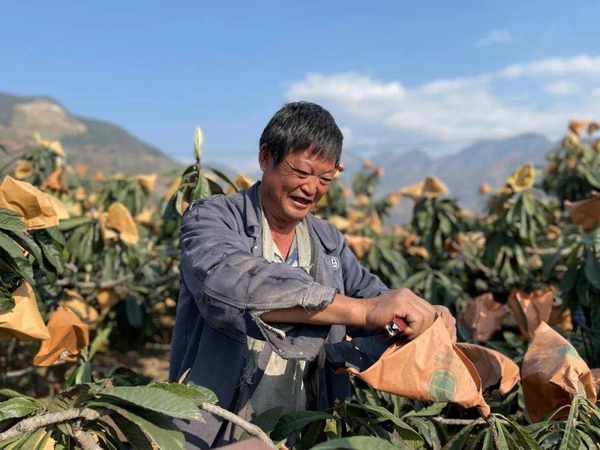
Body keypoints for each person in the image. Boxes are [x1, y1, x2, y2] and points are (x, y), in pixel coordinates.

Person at [169, 102, 455, 449]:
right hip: (215, 426)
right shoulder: (212, 217)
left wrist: (419, 318)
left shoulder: (326, 240)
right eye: (302, 172)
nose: (312, 188)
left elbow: (375, 306)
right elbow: (228, 283)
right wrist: (362, 311)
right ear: (265, 157)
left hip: (302, 426)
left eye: (325, 179)